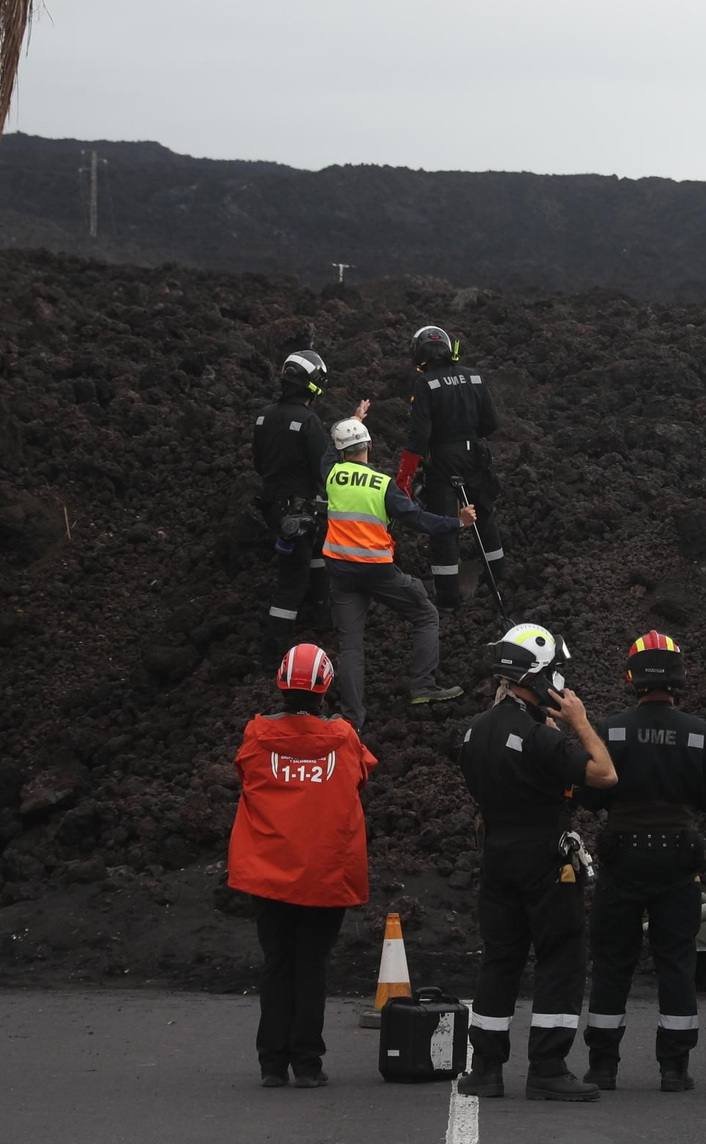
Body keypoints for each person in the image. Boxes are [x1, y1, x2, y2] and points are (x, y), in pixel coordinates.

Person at [455, 624, 619, 1102]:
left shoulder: (472, 731)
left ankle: (485, 1067)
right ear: (539, 676)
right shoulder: (540, 739)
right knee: (560, 959)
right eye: (556, 673)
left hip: (497, 857)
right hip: (546, 859)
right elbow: (605, 774)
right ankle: (548, 1067)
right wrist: (579, 722)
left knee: (500, 960)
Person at [579, 631, 706, 1093]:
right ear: (679, 677)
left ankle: (602, 1067)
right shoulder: (699, 733)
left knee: (612, 961)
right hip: (678, 859)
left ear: (631, 677)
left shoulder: (611, 729)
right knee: (676, 961)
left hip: (623, 857)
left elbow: (590, 795)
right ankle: (674, 1069)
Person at [227, 644, 377, 1088]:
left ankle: (272, 1064)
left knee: (277, 961)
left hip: (270, 872)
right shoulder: (344, 738)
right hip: (325, 872)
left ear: (280, 683)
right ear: (325, 687)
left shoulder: (256, 736)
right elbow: (363, 773)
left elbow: (245, 775)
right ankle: (308, 1064)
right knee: (312, 963)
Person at [322, 416, 474, 728]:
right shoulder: (382, 485)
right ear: (369, 446)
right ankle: (423, 686)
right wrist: (458, 522)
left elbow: (327, 452)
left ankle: (352, 720)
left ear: (341, 452)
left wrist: (354, 417)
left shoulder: (331, 474)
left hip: (340, 573)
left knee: (351, 646)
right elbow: (419, 520)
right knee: (425, 614)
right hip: (379, 572)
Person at [252, 351, 367, 651]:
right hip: (299, 508)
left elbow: (258, 463)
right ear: (313, 386)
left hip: (274, 506)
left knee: (317, 550)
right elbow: (324, 469)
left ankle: (322, 618)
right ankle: (273, 653)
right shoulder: (308, 421)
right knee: (291, 580)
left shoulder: (263, 416)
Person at [393, 325, 503, 612]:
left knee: (444, 531)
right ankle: (500, 583)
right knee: (484, 518)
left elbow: (418, 437)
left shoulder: (425, 385)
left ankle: (448, 602)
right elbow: (491, 423)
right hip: (474, 459)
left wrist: (405, 476)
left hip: (442, 464)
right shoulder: (475, 377)